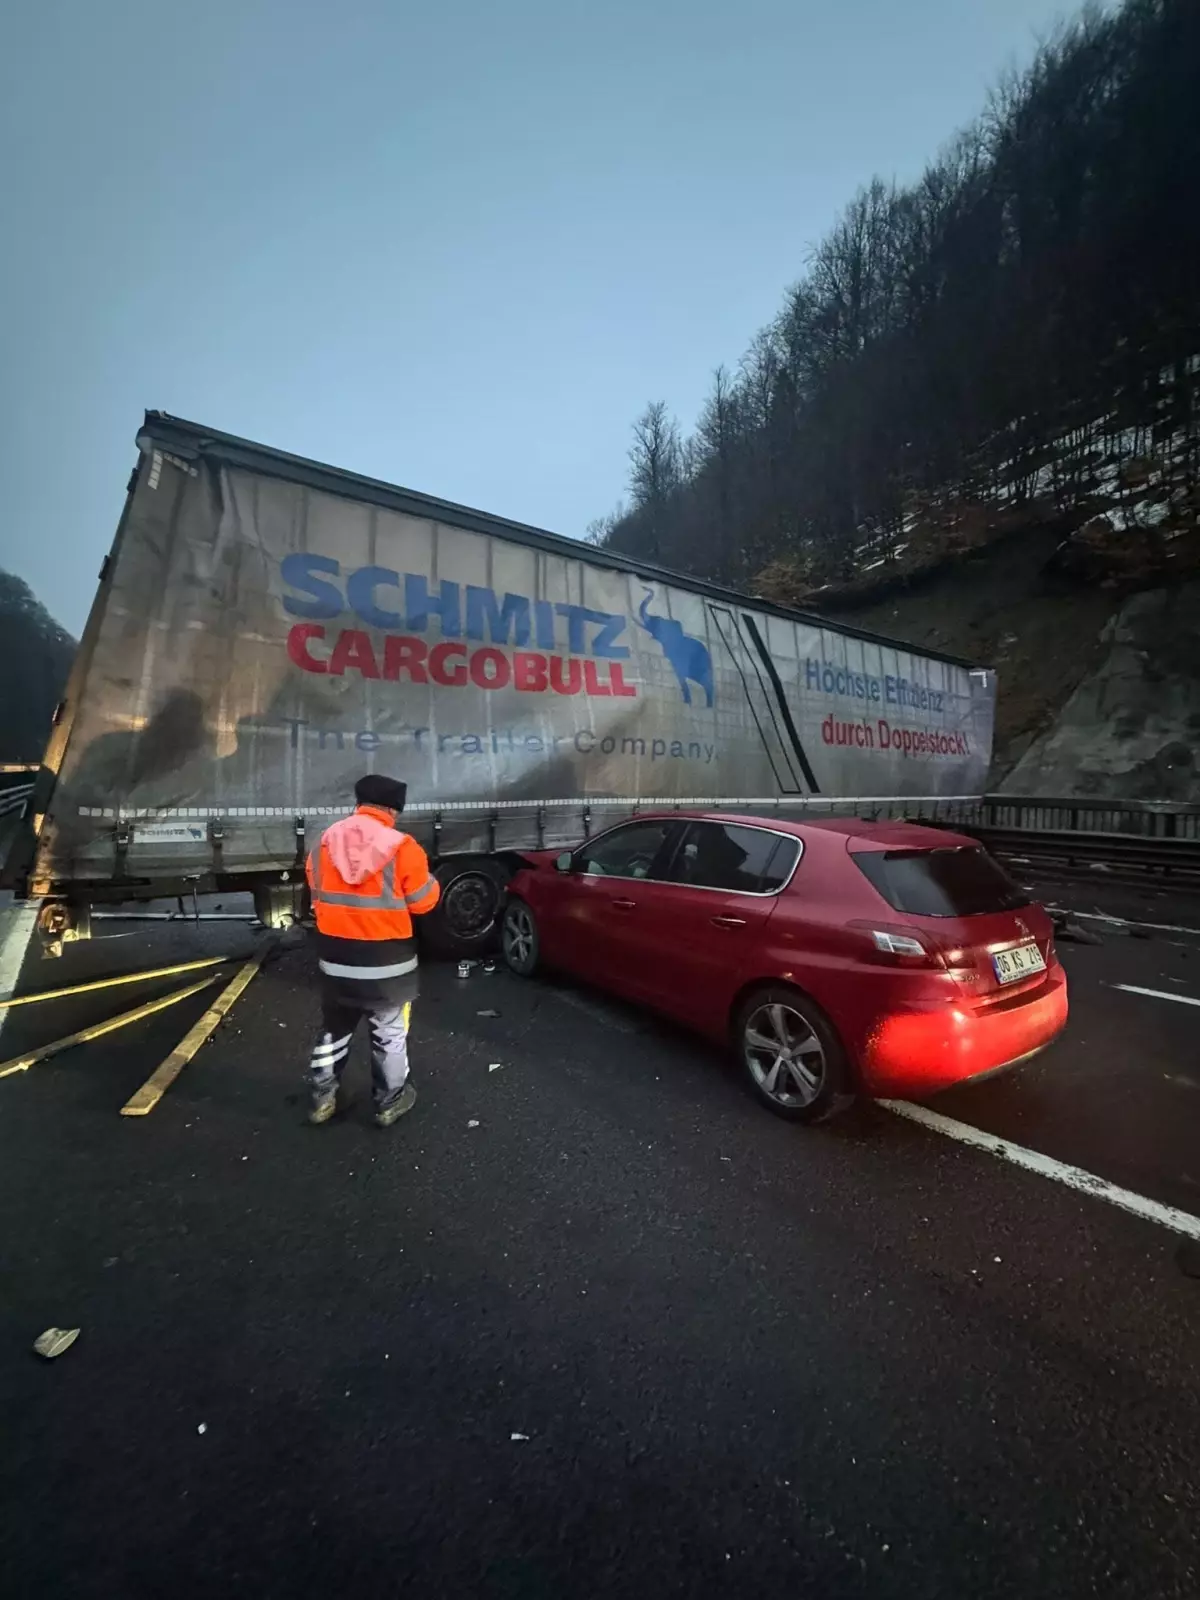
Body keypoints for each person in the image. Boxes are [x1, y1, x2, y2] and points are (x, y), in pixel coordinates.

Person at [305, 774, 441, 1127]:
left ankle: (322, 1099)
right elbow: (423, 903)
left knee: (334, 1030)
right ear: (394, 809)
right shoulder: (402, 847)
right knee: (389, 1033)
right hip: (387, 966)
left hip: (337, 961)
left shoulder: (323, 843)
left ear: (359, 803)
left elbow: (316, 894)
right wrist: (433, 883)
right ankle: (390, 1102)